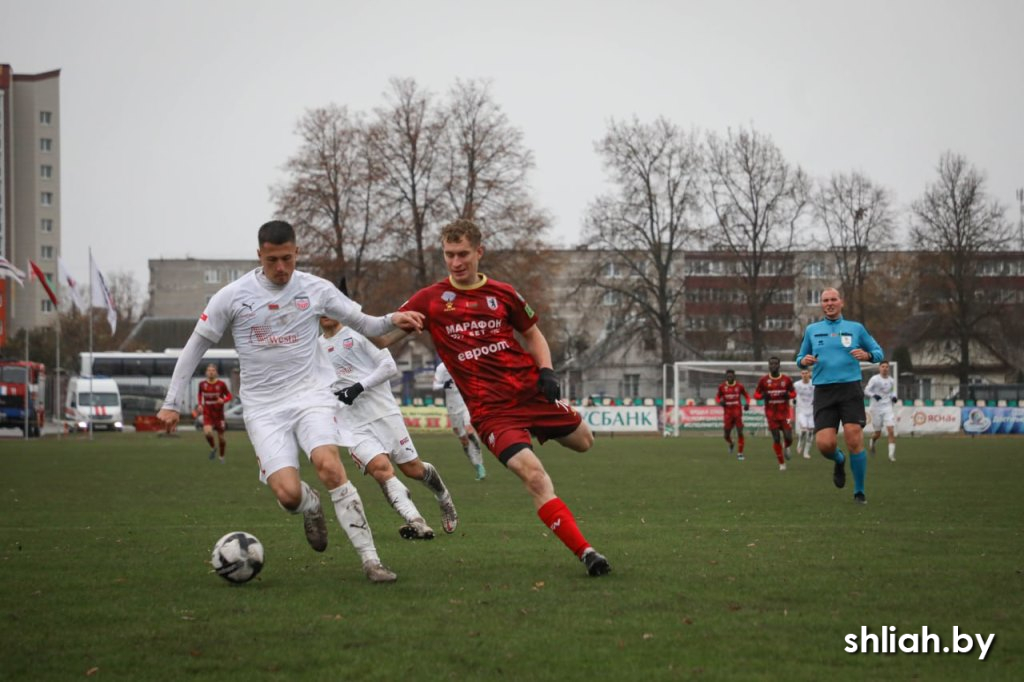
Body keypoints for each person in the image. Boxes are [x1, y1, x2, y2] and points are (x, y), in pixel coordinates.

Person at [156, 220, 424, 582]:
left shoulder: (316, 289)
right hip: (263, 409)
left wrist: (395, 318)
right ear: (259, 256)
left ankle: (371, 561)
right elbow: (194, 348)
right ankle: (310, 504)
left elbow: (368, 324)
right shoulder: (232, 296)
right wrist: (171, 402)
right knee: (287, 495)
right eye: (272, 261)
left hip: (311, 396)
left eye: (287, 259)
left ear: (297, 252)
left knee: (329, 466)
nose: (281, 269)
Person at [385, 218, 610, 577]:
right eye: (449, 255)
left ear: (479, 251)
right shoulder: (430, 300)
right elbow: (382, 338)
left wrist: (546, 371)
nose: (456, 263)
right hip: (492, 412)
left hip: (529, 392)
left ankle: (537, 428)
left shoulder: (503, 293)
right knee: (534, 476)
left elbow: (533, 335)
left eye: (462, 254)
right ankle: (587, 553)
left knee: (585, 441)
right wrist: (357, 318)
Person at [319, 313, 458, 540]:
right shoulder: (316, 348)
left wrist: (357, 388)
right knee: (380, 469)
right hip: (351, 424)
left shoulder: (360, 333)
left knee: (413, 469)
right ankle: (416, 521)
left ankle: (443, 497)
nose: (326, 314)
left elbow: (389, 366)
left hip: (384, 413)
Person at [796, 287, 884, 504]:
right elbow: (799, 357)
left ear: (841, 302)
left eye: (833, 299)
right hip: (824, 391)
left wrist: (868, 355)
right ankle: (839, 459)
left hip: (849, 389)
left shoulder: (855, 328)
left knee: (854, 437)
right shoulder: (812, 330)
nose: (829, 303)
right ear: (822, 304)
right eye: (825, 300)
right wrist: (804, 361)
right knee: (825, 445)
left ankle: (859, 492)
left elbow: (879, 353)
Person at [433, 361, 487, 481]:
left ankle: (480, 463)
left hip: (466, 402)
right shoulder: (441, 367)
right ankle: (476, 465)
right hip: (452, 406)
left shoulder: (462, 361)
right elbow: (434, 386)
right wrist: (444, 385)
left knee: (469, 431)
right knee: (463, 439)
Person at [753, 357, 797, 471]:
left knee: (789, 437)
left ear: (779, 365)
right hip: (771, 414)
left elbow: (793, 393)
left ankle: (786, 446)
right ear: (768, 366)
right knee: (776, 439)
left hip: (785, 414)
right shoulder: (763, 380)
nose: (773, 366)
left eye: (775, 364)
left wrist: (789, 395)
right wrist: (762, 396)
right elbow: (756, 394)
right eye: (771, 364)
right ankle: (782, 464)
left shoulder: (786, 379)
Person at [864, 360, 898, 462]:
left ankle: (891, 456)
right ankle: (872, 441)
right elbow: (866, 390)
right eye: (883, 366)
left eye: (886, 367)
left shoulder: (891, 380)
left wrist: (894, 397)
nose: (885, 368)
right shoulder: (875, 379)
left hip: (887, 407)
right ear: (879, 368)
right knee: (877, 433)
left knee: (891, 430)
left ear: (889, 368)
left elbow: (893, 392)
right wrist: (874, 395)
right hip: (876, 408)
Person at [197, 363, 232, 462]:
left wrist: (223, 400)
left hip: (219, 414)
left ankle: (221, 457)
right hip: (207, 411)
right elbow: (200, 394)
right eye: (209, 370)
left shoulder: (221, 384)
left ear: (216, 372)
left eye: (213, 370)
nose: (211, 372)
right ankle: (213, 447)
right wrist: (200, 404)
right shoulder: (202, 384)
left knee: (221, 438)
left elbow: (229, 395)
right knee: (207, 433)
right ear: (206, 372)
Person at [715, 369, 750, 460]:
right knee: (726, 435)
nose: (729, 377)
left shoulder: (739, 386)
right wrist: (720, 402)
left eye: (731, 376)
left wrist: (747, 403)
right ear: (726, 377)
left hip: (738, 414)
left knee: (740, 432)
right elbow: (717, 397)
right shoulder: (722, 387)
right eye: (728, 376)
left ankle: (740, 454)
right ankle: (731, 443)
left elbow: (746, 395)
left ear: (734, 376)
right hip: (728, 415)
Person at [793, 368, 815, 459]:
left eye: (806, 373)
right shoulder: (796, 385)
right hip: (801, 410)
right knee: (803, 430)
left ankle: (806, 452)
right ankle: (799, 444)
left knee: (810, 432)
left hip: (812, 411)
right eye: (803, 373)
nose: (805, 375)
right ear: (801, 374)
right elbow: (791, 393)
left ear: (809, 374)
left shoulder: (814, 384)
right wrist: (793, 400)